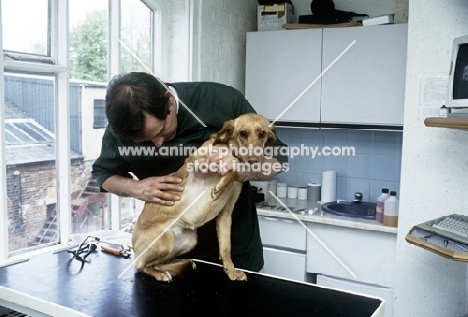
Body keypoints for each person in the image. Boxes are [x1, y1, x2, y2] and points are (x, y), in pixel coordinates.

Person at [92, 72, 288, 272]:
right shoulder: (123, 127)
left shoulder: (221, 100)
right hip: (168, 253)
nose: (158, 143)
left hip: (235, 251)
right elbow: (103, 173)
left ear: (169, 100)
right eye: (145, 141)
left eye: (160, 131)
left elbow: (279, 161)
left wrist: (242, 170)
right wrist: (136, 188)